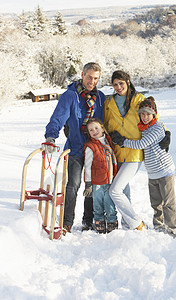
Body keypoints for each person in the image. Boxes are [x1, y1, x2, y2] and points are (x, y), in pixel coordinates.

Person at [43, 62, 106, 233]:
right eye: (89, 77)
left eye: (95, 78)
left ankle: (88, 220)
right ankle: (67, 221)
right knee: (73, 185)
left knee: (93, 185)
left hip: (95, 150)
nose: (91, 81)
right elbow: (58, 117)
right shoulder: (70, 96)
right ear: (82, 74)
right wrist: (51, 136)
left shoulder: (100, 98)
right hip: (76, 148)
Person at [104, 70, 170, 231]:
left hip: (135, 153)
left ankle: (136, 223)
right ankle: (127, 223)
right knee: (123, 190)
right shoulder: (109, 103)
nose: (118, 87)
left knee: (115, 190)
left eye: (121, 83)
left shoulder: (139, 99)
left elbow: (153, 118)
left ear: (128, 81)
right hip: (117, 152)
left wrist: (166, 132)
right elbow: (104, 124)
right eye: (115, 84)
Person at [111, 97, 176, 237]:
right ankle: (159, 227)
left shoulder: (157, 127)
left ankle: (172, 230)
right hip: (152, 173)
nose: (145, 117)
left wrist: (122, 141)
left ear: (154, 114)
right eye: (142, 114)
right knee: (156, 204)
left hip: (164, 171)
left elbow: (140, 145)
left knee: (168, 203)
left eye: (148, 114)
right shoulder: (144, 128)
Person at [83, 118, 118, 234]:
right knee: (97, 204)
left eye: (96, 128)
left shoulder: (108, 142)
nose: (94, 131)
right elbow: (87, 166)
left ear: (102, 128)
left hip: (110, 179)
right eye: (91, 130)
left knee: (109, 202)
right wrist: (88, 184)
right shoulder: (90, 146)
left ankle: (112, 221)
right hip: (97, 182)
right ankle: (99, 221)